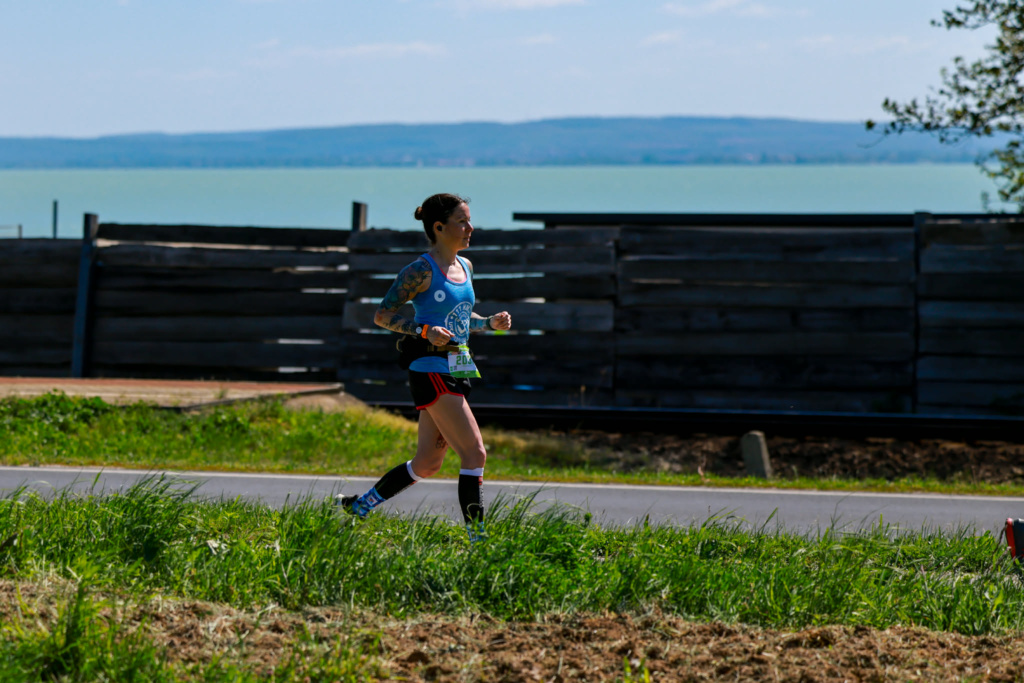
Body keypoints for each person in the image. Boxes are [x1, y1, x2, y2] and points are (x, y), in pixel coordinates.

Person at [337, 193, 512, 543]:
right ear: (438, 227)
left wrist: (489, 322)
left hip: (457, 365)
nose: (470, 227)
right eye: (462, 221)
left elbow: (461, 321)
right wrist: (421, 329)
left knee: (428, 463)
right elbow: (382, 315)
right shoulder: (419, 270)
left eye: (469, 220)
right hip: (429, 366)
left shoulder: (467, 267)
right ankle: (479, 542)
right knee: (475, 453)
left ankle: (360, 506)